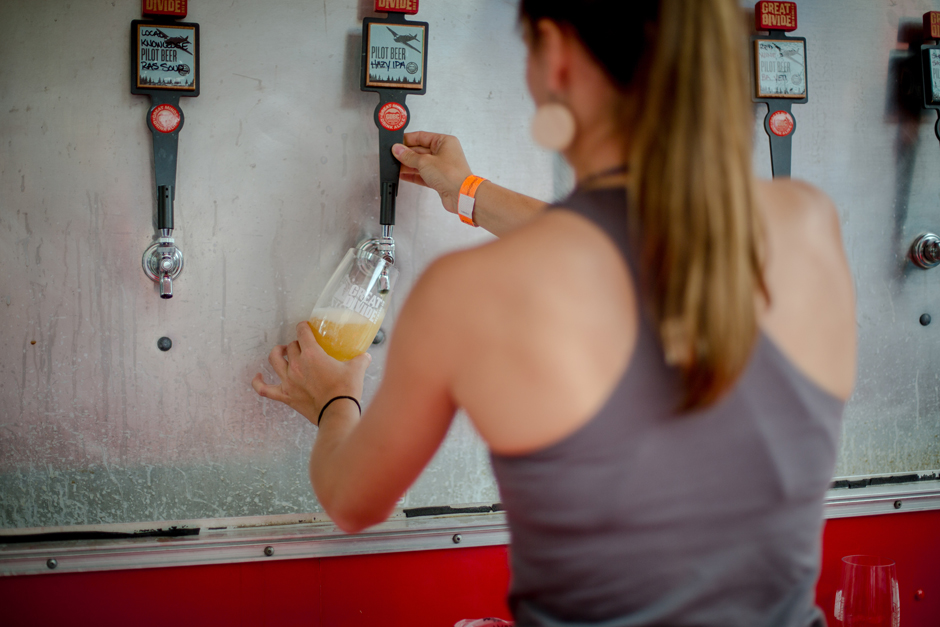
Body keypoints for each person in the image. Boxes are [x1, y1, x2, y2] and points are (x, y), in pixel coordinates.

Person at [252, 1, 856, 624]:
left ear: (555, 55)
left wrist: (332, 401)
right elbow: (632, 250)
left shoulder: (466, 292)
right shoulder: (808, 225)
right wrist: (467, 191)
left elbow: (353, 500)